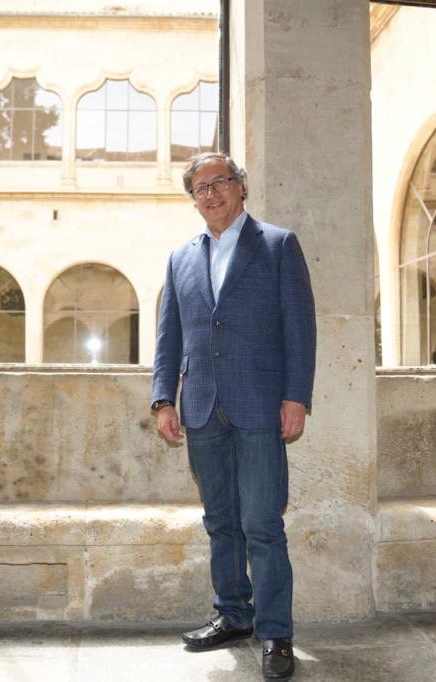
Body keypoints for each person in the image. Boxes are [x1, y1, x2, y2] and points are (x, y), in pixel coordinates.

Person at [150, 152, 316, 680]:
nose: (211, 193)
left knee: (262, 523)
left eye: (220, 182)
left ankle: (276, 634)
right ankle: (232, 614)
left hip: (260, 404)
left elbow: (300, 328)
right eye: (199, 188)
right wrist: (162, 398)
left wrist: (297, 396)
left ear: (241, 187)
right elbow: (168, 336)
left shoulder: (277, 245)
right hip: (200, 407)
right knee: (220, 520)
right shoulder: (180, 258)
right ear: (193, 199)